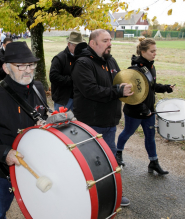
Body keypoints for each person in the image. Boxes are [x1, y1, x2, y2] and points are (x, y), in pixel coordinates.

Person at [0, 42, 48, 219]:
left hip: (37, 164)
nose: (28, 70)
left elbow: (43, 117)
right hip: (4, 171)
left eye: (31, 65)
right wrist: (5, 153)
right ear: (6, 68)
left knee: (37, 209)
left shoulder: (38, 88)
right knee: (0, 209)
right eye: (21, 66)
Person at [71, 29, 133, 207]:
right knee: (91, 163)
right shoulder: (83, 63)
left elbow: (118, 81)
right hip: (91, 124)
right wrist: (118, 91)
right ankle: (86, 198)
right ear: (93, 43)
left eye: (110, 40)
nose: (110, 43)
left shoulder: (110, 60)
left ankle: (113, 193)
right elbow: (90, 90)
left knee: (110, 160)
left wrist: (127, 88)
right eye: (105, 40)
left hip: (109, 122)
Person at [116, 37, 174, 175]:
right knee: (127, 133)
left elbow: (151, 87)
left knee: (150, 136)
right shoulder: (134, 70)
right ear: (143, 51)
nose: (155, 54)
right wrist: (144, 110)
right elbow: (131, 94)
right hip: (135, 111)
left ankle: (153, 162)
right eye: (152, 51)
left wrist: (166, 88)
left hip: (149, 111)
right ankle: (117, 153)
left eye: (155, 51)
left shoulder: (150, 67)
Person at [49, 31, 85, 111]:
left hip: (78, 99)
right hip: (63, 100)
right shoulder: (59, 58)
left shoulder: (82, 58)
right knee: (62, 122)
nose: (79, 48)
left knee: (76, 123)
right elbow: (53, 77)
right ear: (69, 44)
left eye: (80, 45)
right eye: (76, 45)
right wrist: (72, 80)